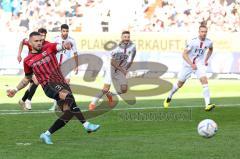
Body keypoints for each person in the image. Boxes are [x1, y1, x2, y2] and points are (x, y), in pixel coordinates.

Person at [7, 32, 100, 144]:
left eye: (40, 40)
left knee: (69, 113)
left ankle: (46, 134)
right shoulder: (27, 60)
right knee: (69, 97)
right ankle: (86, 125)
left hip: (61, 83)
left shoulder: (49, 47)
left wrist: (67, 44)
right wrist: (15, 90)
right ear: (29, 42)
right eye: (36, 41)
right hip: (49, 85)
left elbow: (62, 45)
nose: (39, 43)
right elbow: (26, 79)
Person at [163, 25, 216, 111]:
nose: (204, 33)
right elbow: (184, 54)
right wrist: (191, 64)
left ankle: (208, 104)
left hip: (199, 65)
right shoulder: (193, 42)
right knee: (180, 84)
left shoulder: (209, 42)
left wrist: (206, 59)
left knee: (204, 81)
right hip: (187, 65)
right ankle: (169, 97)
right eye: (202, 31)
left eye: (205, 32)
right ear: (199, 32)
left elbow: (211, 49)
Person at [89, 31, 136, 111]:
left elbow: (133, 55)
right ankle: (93, 103)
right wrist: (124, 71)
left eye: (128, 37)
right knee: (105, 89)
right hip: (111, 68)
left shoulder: (132, 46)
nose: (126, 39)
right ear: (121, 37)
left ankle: (111, 94)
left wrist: (128, 66)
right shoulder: (116, 47)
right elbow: (112, 62)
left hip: (120, 69)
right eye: (125, 37)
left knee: (124, 89)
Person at [17, 28, 50, 110]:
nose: (42, 38)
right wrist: (19, 54)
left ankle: (22, 100)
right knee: (37, 81)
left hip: (39, 66)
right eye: (41, 35)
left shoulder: (47, 44)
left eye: (44, 36)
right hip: (30, 65)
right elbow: (22, 41)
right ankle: (28, 100)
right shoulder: (32, 41)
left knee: (32, 85)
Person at [49, 24, 79, 111]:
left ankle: (67, 105)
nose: (65, 33)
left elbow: (75, 53)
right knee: (56, 86)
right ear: (61, 31)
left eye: (67, 31)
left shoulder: (72, 40)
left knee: (66, 85)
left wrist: (76, 65)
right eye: (64, 31)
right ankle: (55, 105)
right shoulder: (56, 39)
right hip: (56, 65)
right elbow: (51, 51)